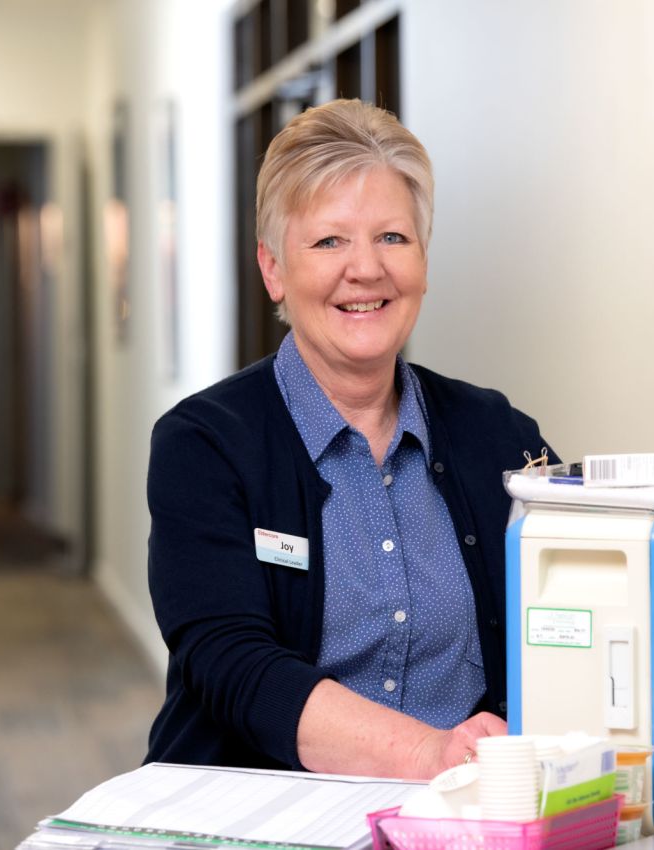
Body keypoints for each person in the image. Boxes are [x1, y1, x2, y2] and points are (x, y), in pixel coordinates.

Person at [144, 99, 556, 779]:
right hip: (259, 816)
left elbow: (570, 618)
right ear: (274, 268)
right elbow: (233, 666)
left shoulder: (502, 438)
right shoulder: (204, 445)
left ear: (423, 259)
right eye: (329, 241)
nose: (365, 269)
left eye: (392, 238)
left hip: (453, 818)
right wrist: (428, 753)